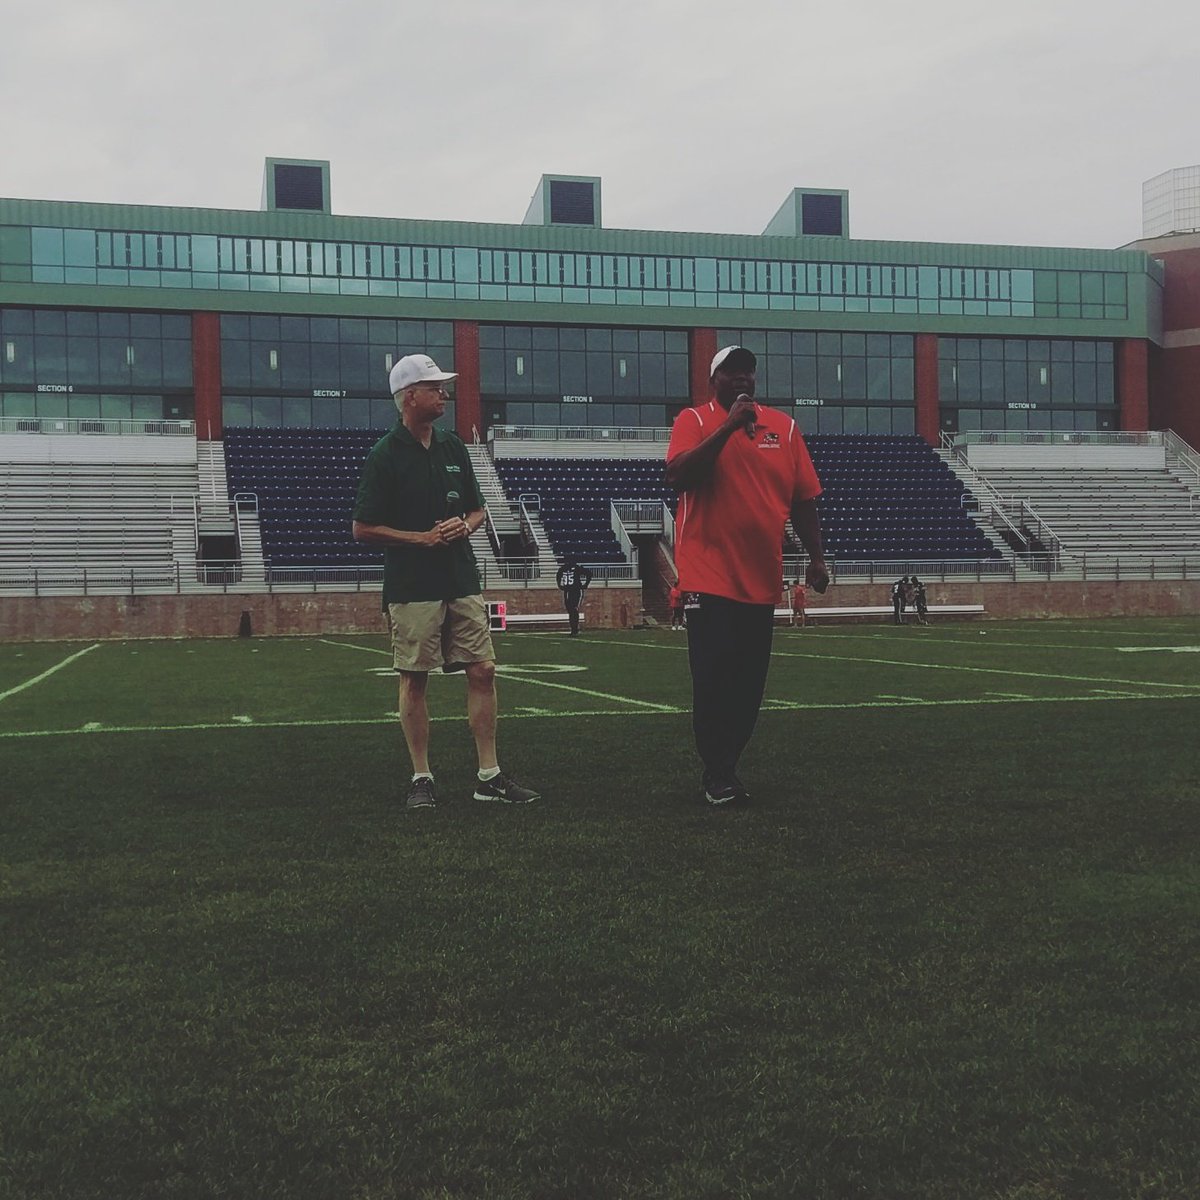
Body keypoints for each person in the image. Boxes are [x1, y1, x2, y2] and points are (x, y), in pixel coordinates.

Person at [352, 353, 540, 811]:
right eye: (435, 387)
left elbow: (477, 510)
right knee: (415, 678)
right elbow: (362, 528)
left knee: (484, 669)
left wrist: (466, 526)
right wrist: (419, 538)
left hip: (461, 577)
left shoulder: (454, 446)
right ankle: (421, 776)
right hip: (411, 585)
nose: (444, 394)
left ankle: (489, 775)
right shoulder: (384, 455)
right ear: (409, 396)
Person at [666, 345, 829, 807]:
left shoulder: (785, 428)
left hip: (760, 577)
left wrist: (817, 558)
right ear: (712, 381)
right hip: (707, 576)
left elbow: (803, 498)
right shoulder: (693, 421)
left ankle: (728, 764)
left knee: (749, 684)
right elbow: (678, 474)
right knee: (714, 677)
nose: (741, 379)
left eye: (748, 372)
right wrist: (729, 427)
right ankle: (717, 773)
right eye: (731, 372)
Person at [556, 558, 592, 635]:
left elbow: (588, 574)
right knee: (570, 611)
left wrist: (585, 584)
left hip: (576, 591)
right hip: (568, 591)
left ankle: (574, 629)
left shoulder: (575, 568)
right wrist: (560, 585)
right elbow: (558, 575)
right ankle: (573, 629)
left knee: (574, 610)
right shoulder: (565, 568)